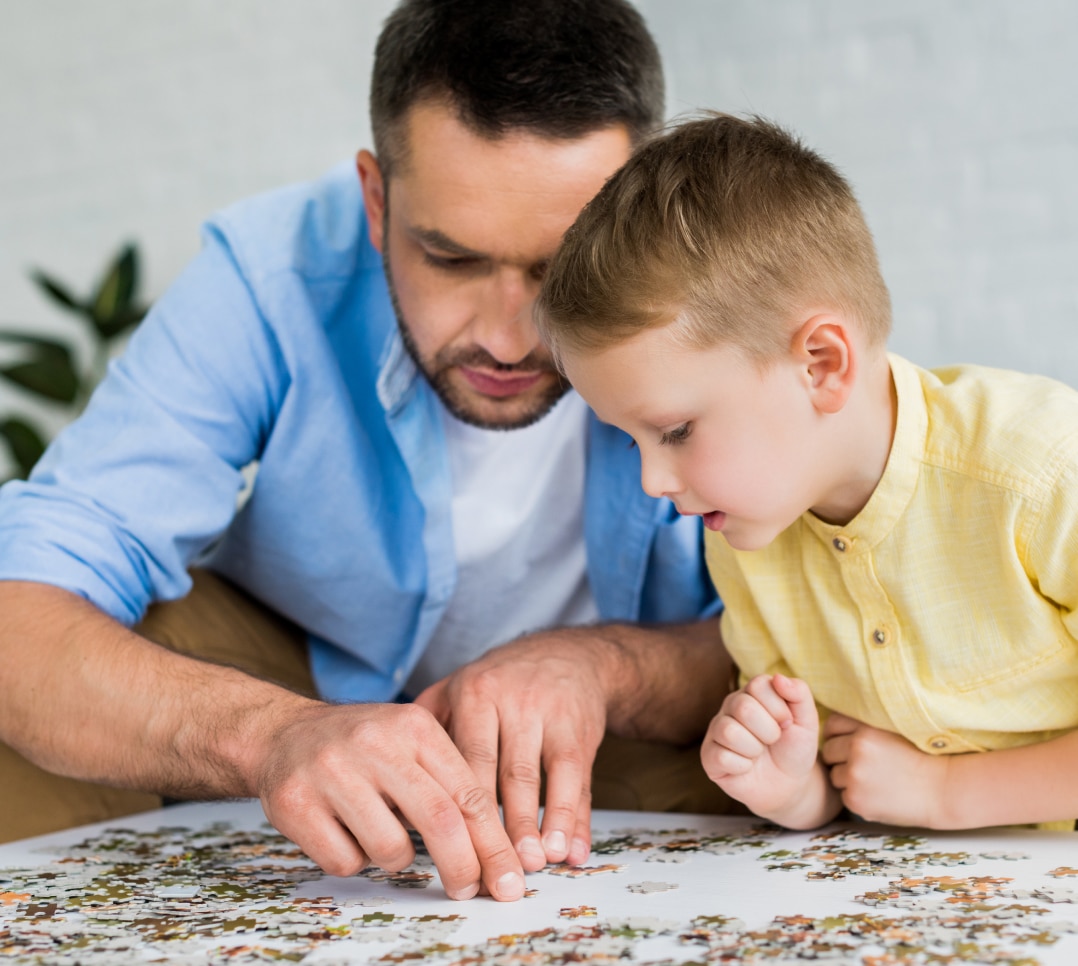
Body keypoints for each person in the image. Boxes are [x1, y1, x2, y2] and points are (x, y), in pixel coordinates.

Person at [0, 1, 734, 901]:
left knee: (797, 748)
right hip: (302, 669)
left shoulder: (731, 281)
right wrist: (273, 735)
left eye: (561, 266)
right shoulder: (270, 273)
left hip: (611, 724)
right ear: (377, 201)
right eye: (451, 258)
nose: (509, 340)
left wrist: (604, 666)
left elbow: (833, 613)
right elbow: (21, 611)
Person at [536, 112, 1078, 833]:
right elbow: (845, 779)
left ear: (821, 365)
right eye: (633, 443)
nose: (654, 483)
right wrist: (789, 788)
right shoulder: (743, 540)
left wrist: (946, 792)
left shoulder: (1041, 468)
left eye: (674, 431)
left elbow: (914, 791)